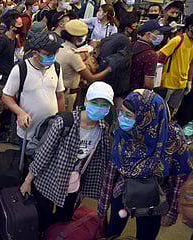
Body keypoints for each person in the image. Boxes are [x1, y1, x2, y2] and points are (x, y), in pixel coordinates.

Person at [20, 81, 114, 237]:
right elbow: (44, 155)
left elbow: (99, 159)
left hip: (72, 183)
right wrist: (27, 181)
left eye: (103, 105)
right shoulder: (65, 122)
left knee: (65, 217)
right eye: (95, 102)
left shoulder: (103, 128)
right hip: (48, 180)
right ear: (86, 101)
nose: (98, 108)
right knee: (42, 219)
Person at [98, 89, 191, 240]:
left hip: (154, 199)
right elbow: (112, 169)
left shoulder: (172, 137)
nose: (122, 119)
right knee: (112, 232)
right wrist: (103, 205)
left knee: (146, 235)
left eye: (128, 115)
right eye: (121, 112)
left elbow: (179, 177)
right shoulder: (123, 132)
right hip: (122, 191)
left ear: (146, 117)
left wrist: (171, 211)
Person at [2, 31, 65, 144]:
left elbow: (60, 96)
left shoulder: (56, 68)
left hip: (50, 131)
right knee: (27, 160)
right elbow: (6, 96)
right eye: (48, 54)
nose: (52, 57)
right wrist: (20, 113)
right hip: (27, 132)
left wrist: (62, 120)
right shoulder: (21, 70)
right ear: (35, 53)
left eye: (55, 53)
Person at [57, 20, 112, 111]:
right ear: (76, 38)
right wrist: (109, 69)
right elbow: (91, 78)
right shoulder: (73, 55)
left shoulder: (61, 47)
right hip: (68, 96)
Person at [157, 14, 193, 114]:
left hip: (182, 83)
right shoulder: (178, 40)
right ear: (190, 26)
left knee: (171, 110)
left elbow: (191, 64)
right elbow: (161, 56)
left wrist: (189, 81)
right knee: (160, 109)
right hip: (168, 82)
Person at [129, 20, 171, 92]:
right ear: (148, 34)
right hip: (137, 93)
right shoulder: (151, 55)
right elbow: (148, 84)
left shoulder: (131, 45)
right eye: (159, 33)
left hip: (124, 88)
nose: (161, 36)